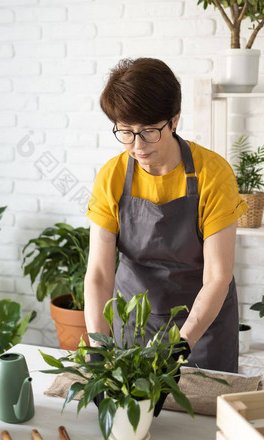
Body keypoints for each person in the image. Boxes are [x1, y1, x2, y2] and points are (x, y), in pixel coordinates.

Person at [84, 57, 248, 377]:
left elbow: (217, 277)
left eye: (149, 131)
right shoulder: (112, 177)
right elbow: (100, 275)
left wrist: (178, 349)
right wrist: (98, 348)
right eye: (126, 132)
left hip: (202, 330)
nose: (138, 146)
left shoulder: (213, 175)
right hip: (135, 324)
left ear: (174, 120)